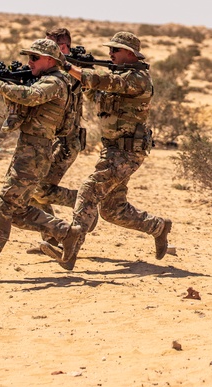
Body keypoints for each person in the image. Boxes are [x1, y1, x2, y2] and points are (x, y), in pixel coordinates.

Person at [0, 38, 80, 282]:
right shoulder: (43, 79)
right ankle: (65, 232)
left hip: (34, 153)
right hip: (28, 151)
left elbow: (29, 96)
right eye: (28, 57)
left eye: (34, 58)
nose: (29, 62)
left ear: (50, 60)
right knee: (16, 210)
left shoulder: (54, 82)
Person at [57, 31, 171, 271]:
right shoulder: (119, 78)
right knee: (112, 210)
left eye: (115, 50)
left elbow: (102, 81)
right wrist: (79, 74)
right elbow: (95, 92)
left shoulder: (137, 78)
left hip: (127, 152)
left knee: (89, 190)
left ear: (129, 54)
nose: (110, 54)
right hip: (112, 151)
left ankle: (70, 248)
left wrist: (70, 67)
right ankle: (158, 227)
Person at [28, 28, 85, 251]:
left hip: (67, 142)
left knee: (41, 189)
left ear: (62, 48)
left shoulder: (72, 74)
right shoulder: (53, 72)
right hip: (51, 139)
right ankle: (51, 239)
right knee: (33, 190)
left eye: (49, 46)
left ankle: (82, 202)